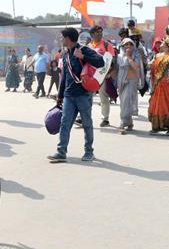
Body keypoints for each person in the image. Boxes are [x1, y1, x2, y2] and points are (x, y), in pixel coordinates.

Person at [47, 27, 105, 163]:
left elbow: (101, 62)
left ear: (68, 38)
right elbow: (65, 76)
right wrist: (60, 96)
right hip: (68, 95)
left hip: (83, 94)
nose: (60, 39)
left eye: (62, 37)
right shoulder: (65, 54)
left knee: (86, 124)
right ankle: (61, 152)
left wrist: (83, 57)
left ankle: (89, 152)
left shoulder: (83, 49)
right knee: (65, 123)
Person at [87, 25, 115, 127]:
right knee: (88, 98)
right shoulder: (89, 46)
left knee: (103, 98)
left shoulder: (107, 45)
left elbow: (112, 61)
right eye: (97, 32)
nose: (100, 34)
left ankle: (105, 119)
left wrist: (108, 73)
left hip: (103, 75)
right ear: (92, 34)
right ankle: (85, 118)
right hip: (90, 76)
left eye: (101, 32)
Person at [117, 38, 142, 134]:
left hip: (132, 81)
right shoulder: (119, 56)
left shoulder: (136, 56)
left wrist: (129, 57)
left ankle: (123, 122)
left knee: (127, 101)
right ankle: (130, 122)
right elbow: (122, 65)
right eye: (125, 45)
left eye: (130, 44)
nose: (128, 46)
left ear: (133, 46)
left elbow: (136, 67)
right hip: (122, 81)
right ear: (122, 46)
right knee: (123, 102)